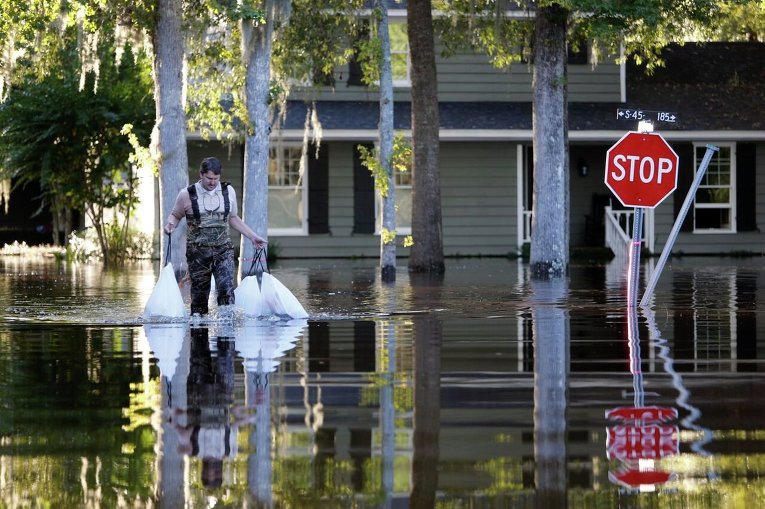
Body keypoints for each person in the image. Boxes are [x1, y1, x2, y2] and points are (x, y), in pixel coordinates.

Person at [164, 157, 266, 315]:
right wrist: (170, 224)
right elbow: (175, 216)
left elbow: (233, 218)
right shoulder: (186, 194)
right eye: (209, 178)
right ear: (201, 174)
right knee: (199, 297)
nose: (213, 182)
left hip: (223, 249)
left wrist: (252, 237)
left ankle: (227, 328)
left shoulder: (228, 191)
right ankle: (199, 330)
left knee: (226, 289)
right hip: (197, 253)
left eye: (216, 179)